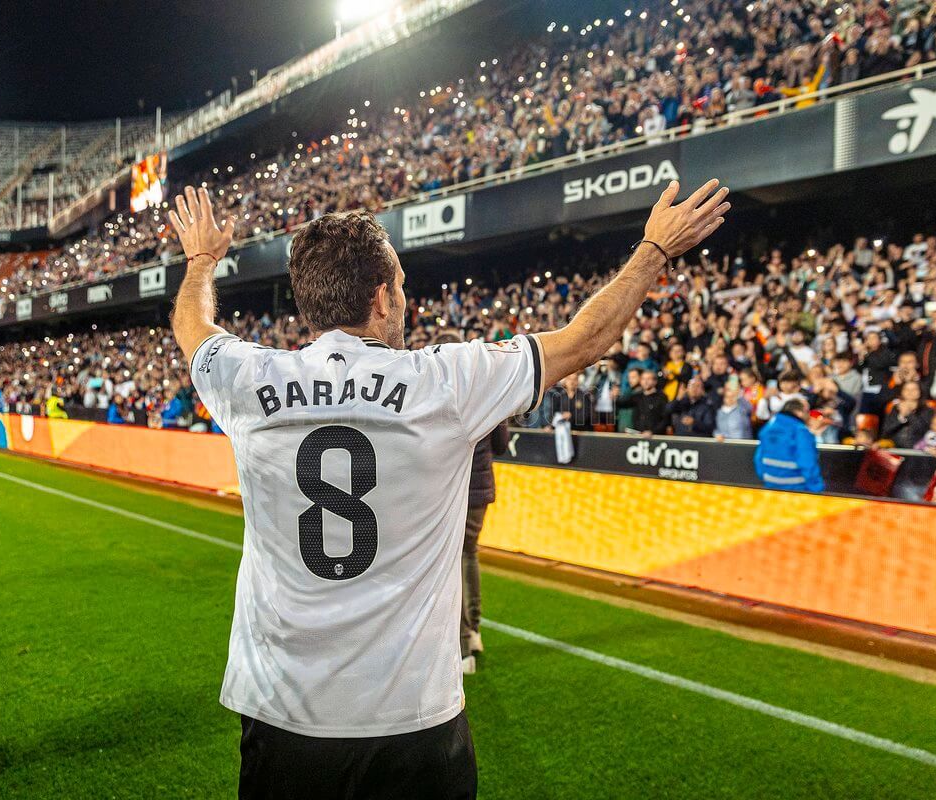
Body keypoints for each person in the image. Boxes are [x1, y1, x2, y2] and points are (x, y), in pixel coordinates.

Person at [168, 178, 729, 798]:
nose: (405, 299)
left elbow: (192, 327)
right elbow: (585, 340)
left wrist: (202, 260)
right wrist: (654, 249)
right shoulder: (446, 381)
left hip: (282, 716)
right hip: (413, 721)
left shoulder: (249, 380)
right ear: (381, 297)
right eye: (402, 285)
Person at [434, 330, 510, 676]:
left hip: (452, 487)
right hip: (480, 487)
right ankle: (474, 632)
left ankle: (463, 646)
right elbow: (502, 445)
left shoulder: (435, 389)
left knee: (454, 561)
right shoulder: (488, 388)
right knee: (470, 554)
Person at [753, 397, 823, 492]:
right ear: (799, 412)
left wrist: (766, 478)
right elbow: (807, 462)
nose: (809, 415)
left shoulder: (768, 428)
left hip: (771, 485)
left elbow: (758, 458)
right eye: (807, 412)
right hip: (796, 487)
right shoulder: (800, 431)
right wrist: (816, 488)